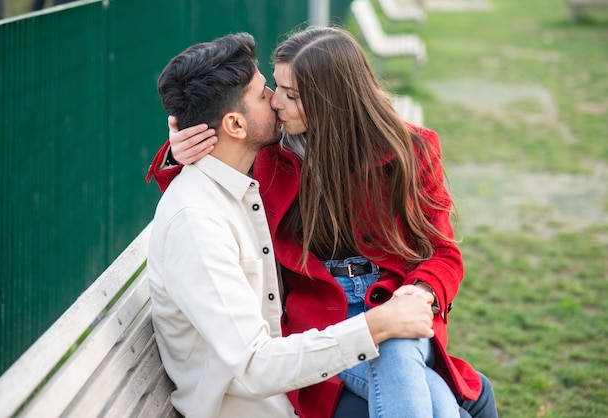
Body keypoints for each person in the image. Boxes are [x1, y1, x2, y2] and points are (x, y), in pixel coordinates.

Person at [148, 27, 498, 418]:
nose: (275, 102)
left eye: (289, 94)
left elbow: (442, 251)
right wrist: (184, 152)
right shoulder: (270, 155)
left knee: (401, 349)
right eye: (272, 88)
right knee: (457, 404)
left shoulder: (409, 150)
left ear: (331, 101)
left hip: (396, 296)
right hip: (319, 317)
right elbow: (212, 192)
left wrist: (421, 293)